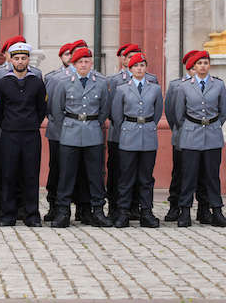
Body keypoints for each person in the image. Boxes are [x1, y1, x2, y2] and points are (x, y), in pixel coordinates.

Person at [50, 47, 112, 228]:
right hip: (70, 131)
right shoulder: (63, 82)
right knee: (67, 174)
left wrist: (93, 123)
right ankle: (63, 212)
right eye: (80, 62)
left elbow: (104, 109)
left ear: (91, 63)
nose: (83, 65)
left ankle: (98, 211)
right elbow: (57, 109)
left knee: (95, 175)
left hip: (93, 131)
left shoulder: (100, 82)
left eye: (86, 61)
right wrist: (69, 126)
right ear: (74, 64)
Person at [0, 42, 48, 226]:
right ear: (11, 60)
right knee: (9, 174)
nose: (20, 61)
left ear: (28, 60)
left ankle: (32, 215)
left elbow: (42, 109)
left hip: (31, 135)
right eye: (16, 58)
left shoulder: (37, 82)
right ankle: (8, 215)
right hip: (10, 135)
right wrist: (10, 125)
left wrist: (30, 124)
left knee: (31, 175)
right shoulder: (2, 83)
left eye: (23, 58)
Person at [174, 50, 226, 227]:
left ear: (209, 65)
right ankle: (184, 211)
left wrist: (212, 124)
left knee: (212, 176)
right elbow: (178, 114)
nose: (203, 66)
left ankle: (217, 211)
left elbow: (224, 111)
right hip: (191, 134)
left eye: (205, 62)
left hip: (212, 134)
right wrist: (193, 125)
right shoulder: (184, 86)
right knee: (189, 176)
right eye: (199, 63)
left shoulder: (218, 85)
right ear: (194, 67)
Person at [106, 43, 158, 223]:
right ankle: (122, 212)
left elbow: (157, 112)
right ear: (129, 68)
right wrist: (128, 128)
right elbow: (116, 114)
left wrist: (147, 125)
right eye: (136, 65)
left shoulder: (155, 88)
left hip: (148, 135)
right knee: (126, 177)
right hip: (128, 134)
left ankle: (146, 212)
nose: (139, 68)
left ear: (146, 67)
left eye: (142, 65)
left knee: (146, 178)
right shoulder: (122, 88)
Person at [164, 50, 210, 222]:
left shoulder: (210, 83)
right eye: (192, 67)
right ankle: (175, 207)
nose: (195, 70)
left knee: (204, 174)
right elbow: (171, 112)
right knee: (180, 174)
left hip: (204, 136)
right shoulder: (177, 85)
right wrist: (180, 129)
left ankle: (204, 208)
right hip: (182, 136)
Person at [43, 41, 78, 222]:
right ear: (61, 57)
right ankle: (54, 205)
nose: (71, 58)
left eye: (74, 54)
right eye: (67, 55)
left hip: (80, 132)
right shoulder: (53, 78)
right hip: (58, 131)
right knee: (56, 169)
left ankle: (81, 206)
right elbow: (49, 106)